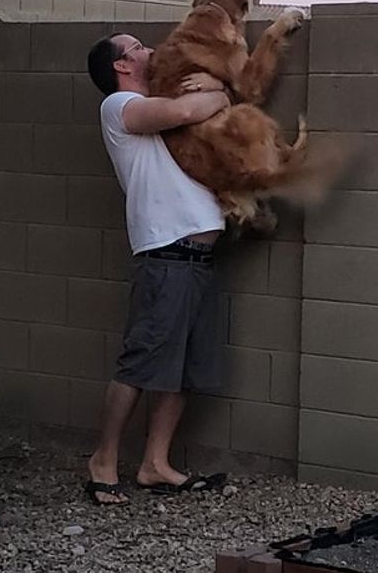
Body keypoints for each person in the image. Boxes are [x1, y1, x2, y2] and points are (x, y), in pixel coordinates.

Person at [84, 32, 231, 505]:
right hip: (166, 254)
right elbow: (189, 111)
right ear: (122, 66)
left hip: (199, 260)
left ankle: (155, 465)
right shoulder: (119, 106)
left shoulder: (154, 109)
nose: (149, 51)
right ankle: (102, 462)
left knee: (184, 370)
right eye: (138, 48)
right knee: (140, 363)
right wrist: (222, 92)